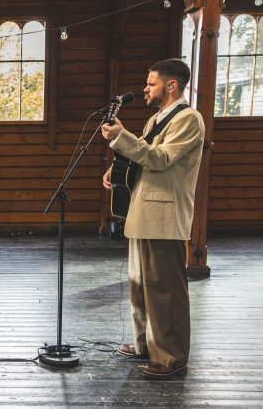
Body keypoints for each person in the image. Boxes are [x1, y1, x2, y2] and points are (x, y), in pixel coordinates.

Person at [101, 58, 205, 379]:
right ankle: (146, 343)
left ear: (171, 86)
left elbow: (160, 159)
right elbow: (142, 156)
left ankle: (171, 356)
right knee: (140, 285)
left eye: (151, 84)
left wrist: (121, 138)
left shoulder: (189, 119)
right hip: (142, 210)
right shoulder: (156, 119)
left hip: (164, 214)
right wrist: (117, 168)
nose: (145, 89)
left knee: (165, 288)